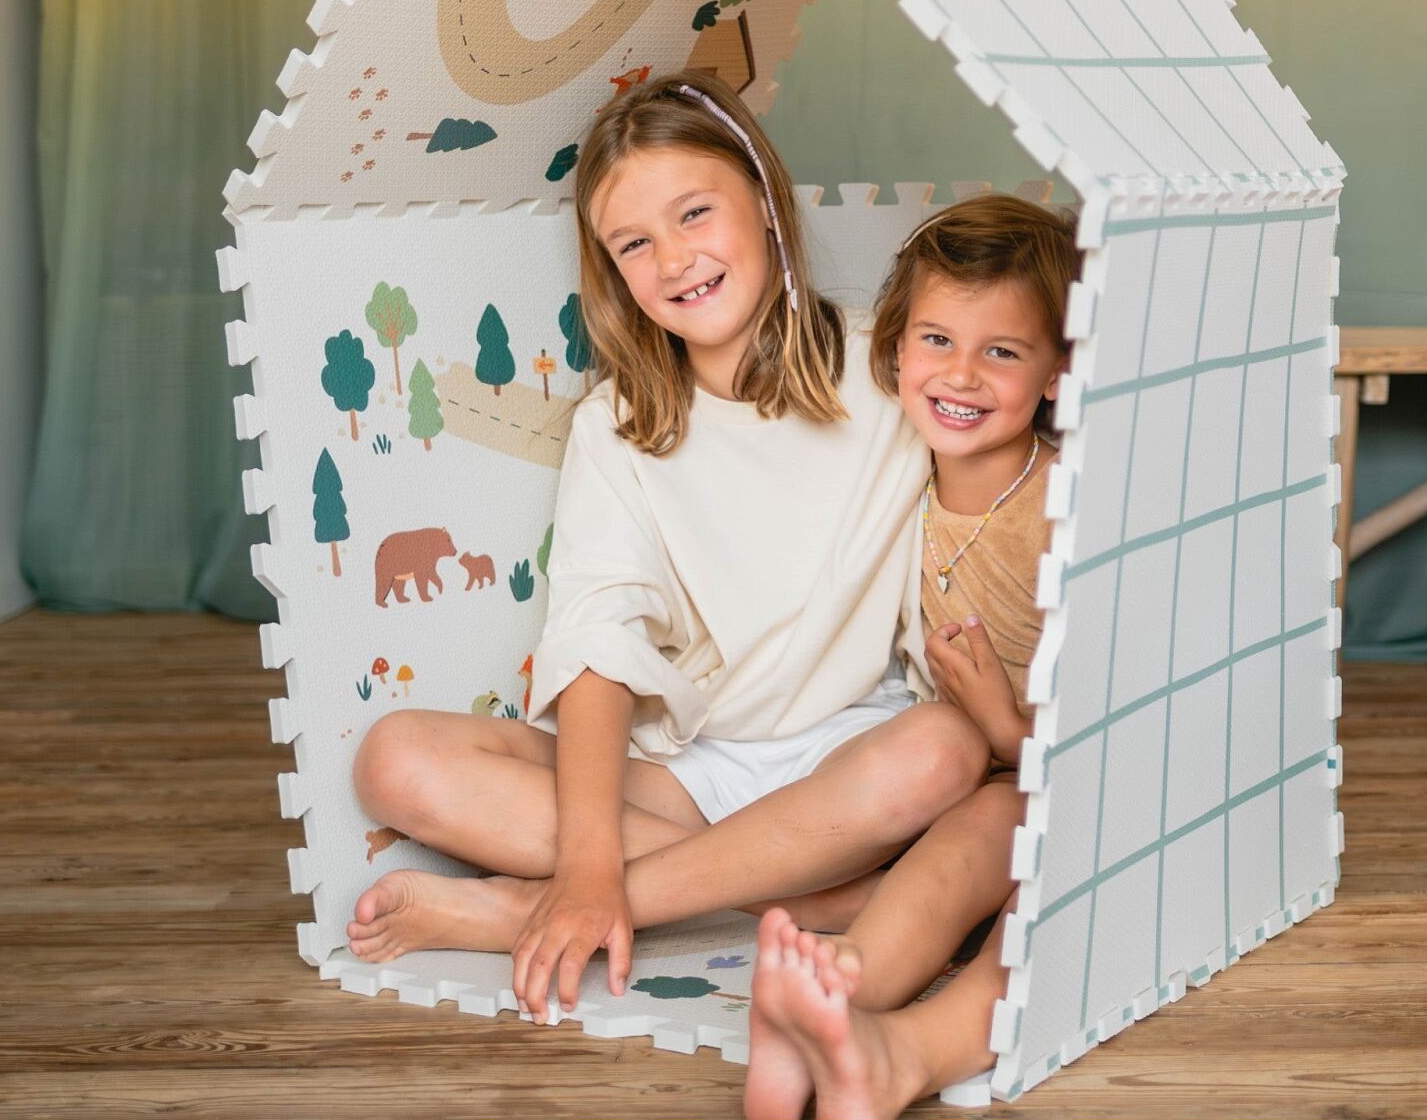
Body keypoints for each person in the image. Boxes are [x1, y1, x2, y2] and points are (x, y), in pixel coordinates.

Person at [346, 75, 988, 1020]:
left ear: (767, 206)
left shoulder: (888, 369)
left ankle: (546, 909)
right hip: (688, 776)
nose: (676, 259)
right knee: (393, 760)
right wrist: (592, 856)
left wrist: (586, 883)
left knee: (944, 749)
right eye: (634, 244)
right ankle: (814, 901)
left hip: (855, 754)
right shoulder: (622, 424)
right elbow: (598, 636)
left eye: (695, 214)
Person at [743, 193, 1080, 1120]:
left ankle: (900, 1053)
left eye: (1002, 351)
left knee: (1019, 864)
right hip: (980, 776)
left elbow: (1120, 714)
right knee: (938, 862)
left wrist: (1005, 724)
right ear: (895, 354)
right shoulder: (901, 473)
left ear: (1057, 372)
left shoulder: (1062, 511)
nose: (961, 374)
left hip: (1079, 781)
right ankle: (830, 1001)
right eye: (936, 340)